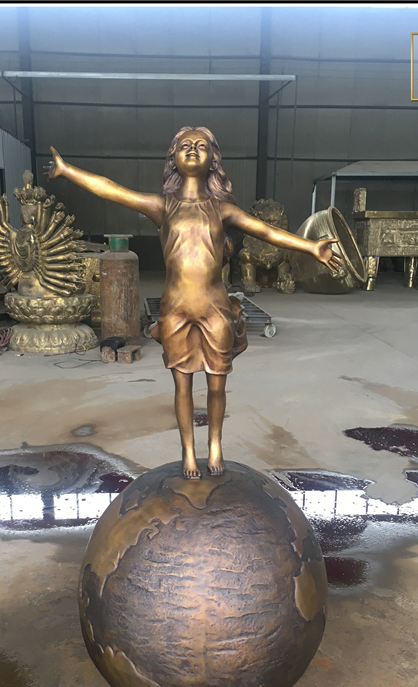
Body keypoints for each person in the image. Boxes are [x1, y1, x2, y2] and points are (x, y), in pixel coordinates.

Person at [45, 127, 343, 479]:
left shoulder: (222, 210)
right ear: (172, 158)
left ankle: (215, 444)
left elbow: (265, 231)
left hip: (215, 308)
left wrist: (311, 247)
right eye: (184, 146)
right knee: (182, 385)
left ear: (213, 160)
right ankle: (188, 450)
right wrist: (67, 170)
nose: (192, 150)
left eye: (201, 146)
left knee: (217, 385)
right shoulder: (163, 206)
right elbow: (113, 190)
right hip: (176, 310)